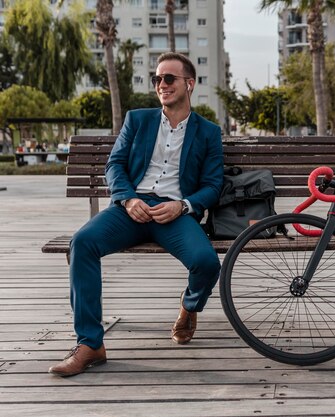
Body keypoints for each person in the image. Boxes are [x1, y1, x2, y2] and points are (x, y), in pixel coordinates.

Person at [49, 52, 224, 377]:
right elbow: (114, 165)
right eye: (157, 79)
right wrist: (128, 200)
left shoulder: (208, 131)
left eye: (169, 78)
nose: (161, 84)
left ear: (189, 83)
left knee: (207, 262)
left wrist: (183, 206)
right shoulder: (138, 119)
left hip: (175, 214)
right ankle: (90, 344)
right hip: (130, 210)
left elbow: (213, 185)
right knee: (83, 242)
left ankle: (188, 307)